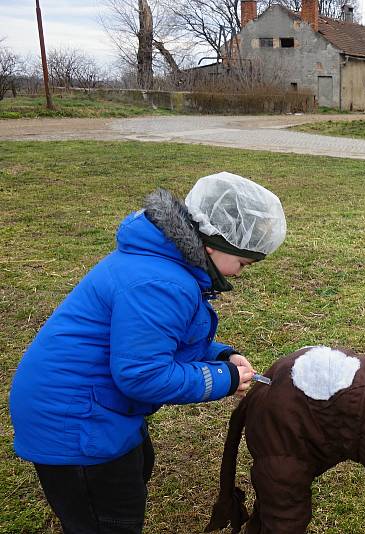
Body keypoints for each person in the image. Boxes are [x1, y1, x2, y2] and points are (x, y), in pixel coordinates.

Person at [9, 171, 287, 534]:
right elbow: (144, 375)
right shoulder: (161, 282)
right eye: (243, 263)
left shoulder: (163, 265)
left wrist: (220, 356)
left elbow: (156, 342)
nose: (240, 274)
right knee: (107, 517)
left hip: (93, 404)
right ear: (213, 245)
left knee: (139, 466)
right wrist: (225, 379)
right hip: (74, 422)